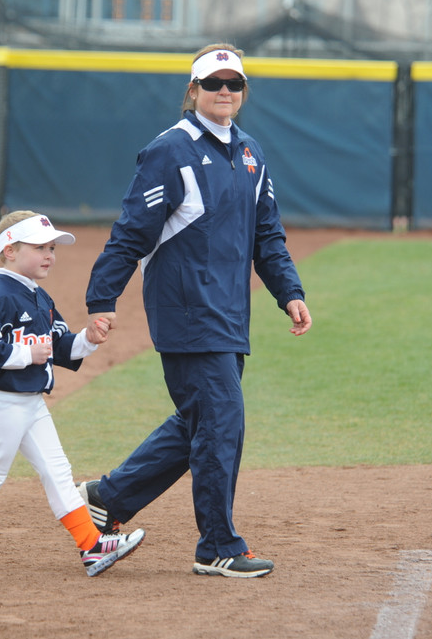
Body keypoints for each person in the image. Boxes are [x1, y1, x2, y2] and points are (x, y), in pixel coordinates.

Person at [78, 43, 312, 578]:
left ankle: (108, 498)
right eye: (213, 84)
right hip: (187, 311)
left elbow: (267, 235)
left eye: (233, 84)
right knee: (222, 421)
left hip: (230, 315)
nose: (224, 92)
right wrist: (102, 298)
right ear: (193, 91)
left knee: (202, 423)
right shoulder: (170, 150)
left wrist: (289, 292)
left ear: (243, 92)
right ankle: (218, 546)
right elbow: (131, 231)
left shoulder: (250, 153)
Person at [0, 210, 145, 578]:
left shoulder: (39, 297)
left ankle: (91, 545)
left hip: (31, 402)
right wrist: (24, 355)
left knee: (57, 471)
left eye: (51, 247)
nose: (49, 254)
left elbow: (60, 346)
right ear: (9, 250)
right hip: (0, 402)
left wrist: (88, 338)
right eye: (39, 247)